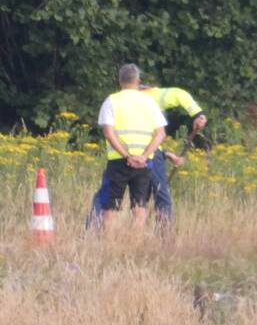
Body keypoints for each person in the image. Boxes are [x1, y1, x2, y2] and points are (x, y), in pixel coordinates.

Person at [85, 82, 207, 229]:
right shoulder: (152, 96)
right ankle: (164, 233)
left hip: (121, 154)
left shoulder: (117, 99)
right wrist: (198, 114)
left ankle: (92, 229)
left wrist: (165, 154)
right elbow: (179, 94)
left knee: (106, 195)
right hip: (149, 155)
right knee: (159, 194)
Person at [96, 63, 166, 227]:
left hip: (118, 161)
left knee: (110, 206)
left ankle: (109, 239)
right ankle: (136, 239)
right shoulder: (150, 102)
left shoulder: (111, 101)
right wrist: (143, 156)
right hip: (144, 163)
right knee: (140, 206)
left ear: (120, 81)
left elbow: (108, 133)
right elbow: (161, 133)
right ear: (138, 81)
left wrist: (127, 156)